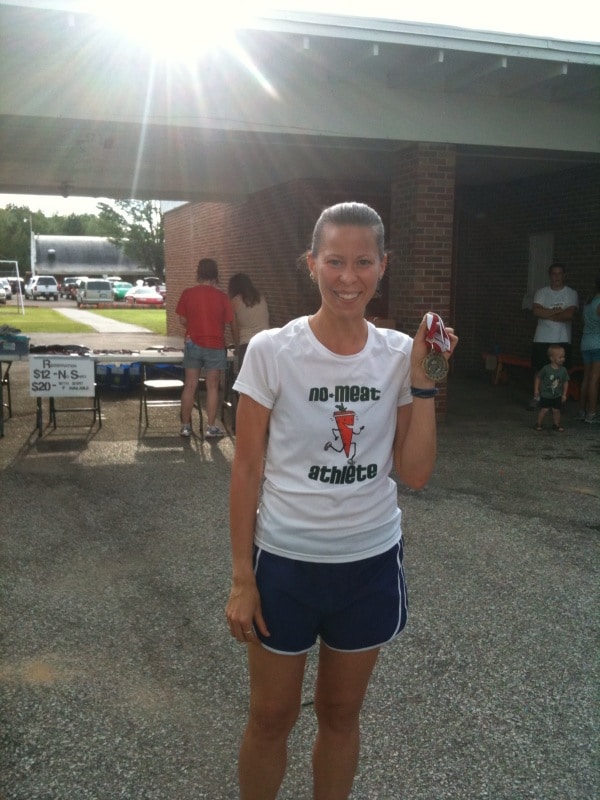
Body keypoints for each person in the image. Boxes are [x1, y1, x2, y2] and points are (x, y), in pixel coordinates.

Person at [225, 202, 458, 800]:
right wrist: (241, 577)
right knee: (271, 717)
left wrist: (426, 381)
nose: (347, 276)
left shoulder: (396, 355)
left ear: (384, 266)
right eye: (334, 261)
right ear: (312, 264)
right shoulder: (272, 351)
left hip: (368, 566)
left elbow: (415, 472)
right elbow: (246, 468)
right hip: (284, 565)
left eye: (362, 262)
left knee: (340, 716)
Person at [175, 257, 237, 439]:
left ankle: (185, 426)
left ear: (198, 273)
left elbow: (182, 319)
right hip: (215, 344)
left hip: (193, 342)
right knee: (212, 387)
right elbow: (228, 321)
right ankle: (211, 427)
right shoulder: (222, 297)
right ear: (216, 275)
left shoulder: (188, 293)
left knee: (190, 385)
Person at [530, 262, 578, 407]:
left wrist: (547, 312)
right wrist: (558, 312)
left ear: (564, 275)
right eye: (554, 273)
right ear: (550, 276)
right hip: (542, 337)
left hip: (561, 338)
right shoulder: (541, 292)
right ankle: (537, 397)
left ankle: (556, 400)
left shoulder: (571, 293)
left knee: (560, 371)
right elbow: (536, 311)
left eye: (559, 273)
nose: (557, 276)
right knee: (540, 369)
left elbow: (569, 314)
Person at [227, 272, 270, 370]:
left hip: (247, 344)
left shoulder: (234, 302)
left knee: (246, 381)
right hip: (265, 343)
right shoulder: (261, 298)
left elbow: (234, 329)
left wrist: (237, 347)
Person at [578, 274, 600, 424]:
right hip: (598, 343)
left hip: (585, 342)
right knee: (595, 378)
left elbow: (583, 321)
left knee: (586, 377)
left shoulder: (588, 301)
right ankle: (592, 413)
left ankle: (581, 411)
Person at [534, 344, 569, 432]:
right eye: (560, 357)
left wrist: (564, 394)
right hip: (546, 394)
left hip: (557, 395)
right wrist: (536, 389)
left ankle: (556, 425)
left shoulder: (563, 370)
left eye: (563, 357)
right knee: (544, 410)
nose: (563, 359)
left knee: (556, 410)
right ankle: (539, 423)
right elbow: (538, 377)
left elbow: (565, 382)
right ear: (552, 358)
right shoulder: (546, 369)